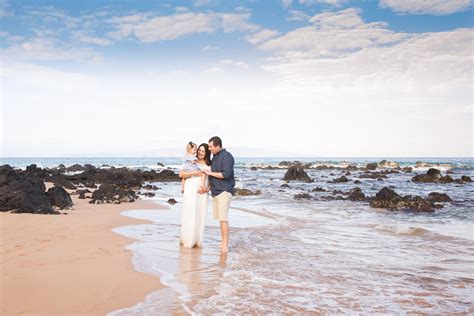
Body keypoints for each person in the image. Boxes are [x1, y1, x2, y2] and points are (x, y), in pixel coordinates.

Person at [202, 136, 235, 253]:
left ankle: (225, 246)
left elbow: (225, 175)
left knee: (223, 219)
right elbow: (213, 178)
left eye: (211, 146)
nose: (209, 149)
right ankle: (223, 243)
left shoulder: (227, 157)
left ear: (217, 146)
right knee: (220, 219)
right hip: (216, 192)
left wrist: (209, 173)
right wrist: (208, 188)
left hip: (224, 191)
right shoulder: (215, 157)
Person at [178, 143, 212, 248]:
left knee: (200, 214)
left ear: (207, 153)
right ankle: (188, 239)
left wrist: (207, 190)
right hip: (190, 189)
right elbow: (181, 174)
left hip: (202, 192)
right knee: (190, 213)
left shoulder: (210, 164)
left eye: (203, 151)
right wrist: (195, 173)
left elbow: (212, 181)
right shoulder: (191, 161)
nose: (200, 152)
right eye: (199, 150)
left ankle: (197, 240)